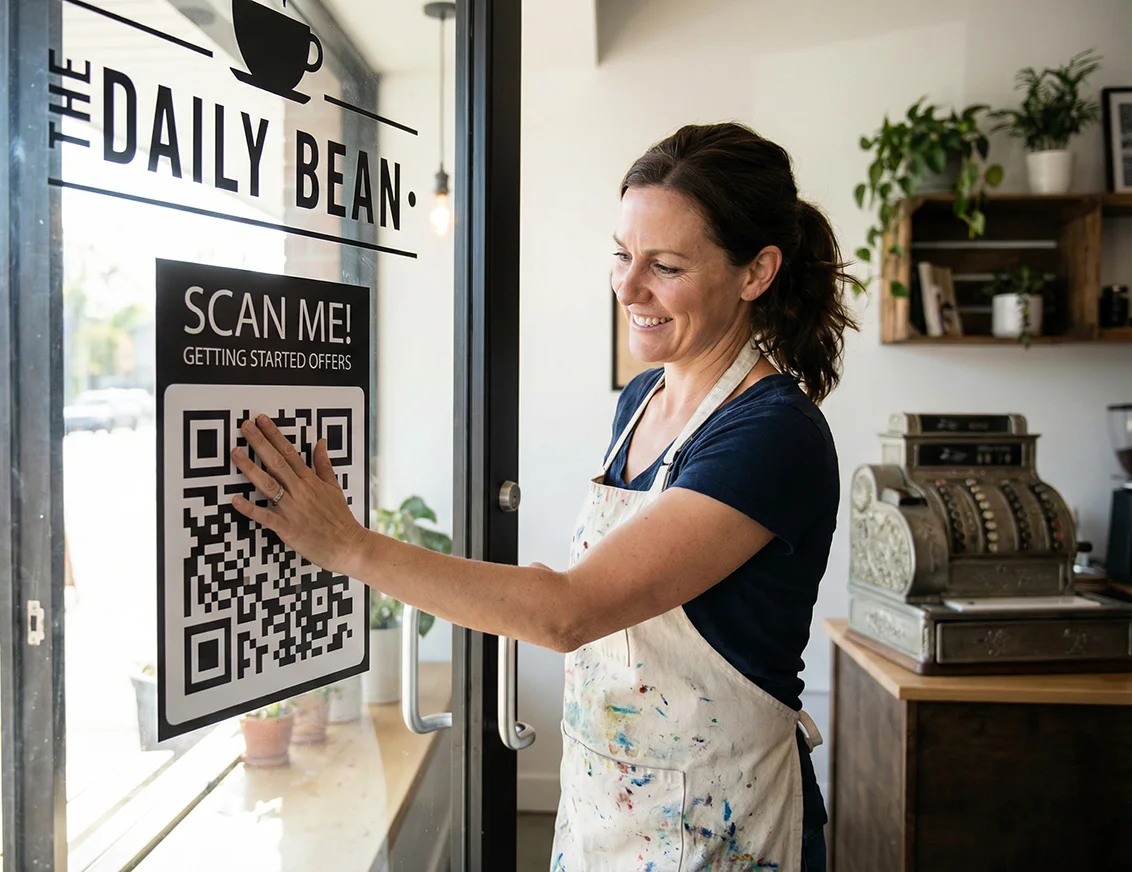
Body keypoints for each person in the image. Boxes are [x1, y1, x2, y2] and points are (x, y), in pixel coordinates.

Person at [228, 122, 858, 872]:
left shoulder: (772, 433)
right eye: (623, 256)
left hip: (722, 828)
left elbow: (570, 612)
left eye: (665, 265)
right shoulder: (641, 401)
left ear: (756, 272)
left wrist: (350, 546)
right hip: (606, 812)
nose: (627, 288)